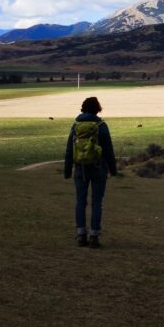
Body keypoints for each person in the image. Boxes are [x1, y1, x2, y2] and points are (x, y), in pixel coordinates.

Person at [63, 96, 117, 248]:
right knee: (97, 203)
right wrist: (113, 170)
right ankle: (94, 236)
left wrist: (67, 170)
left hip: (80, 168)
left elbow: (69, 150)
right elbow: (108, 150)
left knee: (80, 201)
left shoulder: (76, 126)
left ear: (83, 108)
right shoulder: (101, 125)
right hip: (99, 168)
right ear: (97, 109)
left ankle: (81, 235)